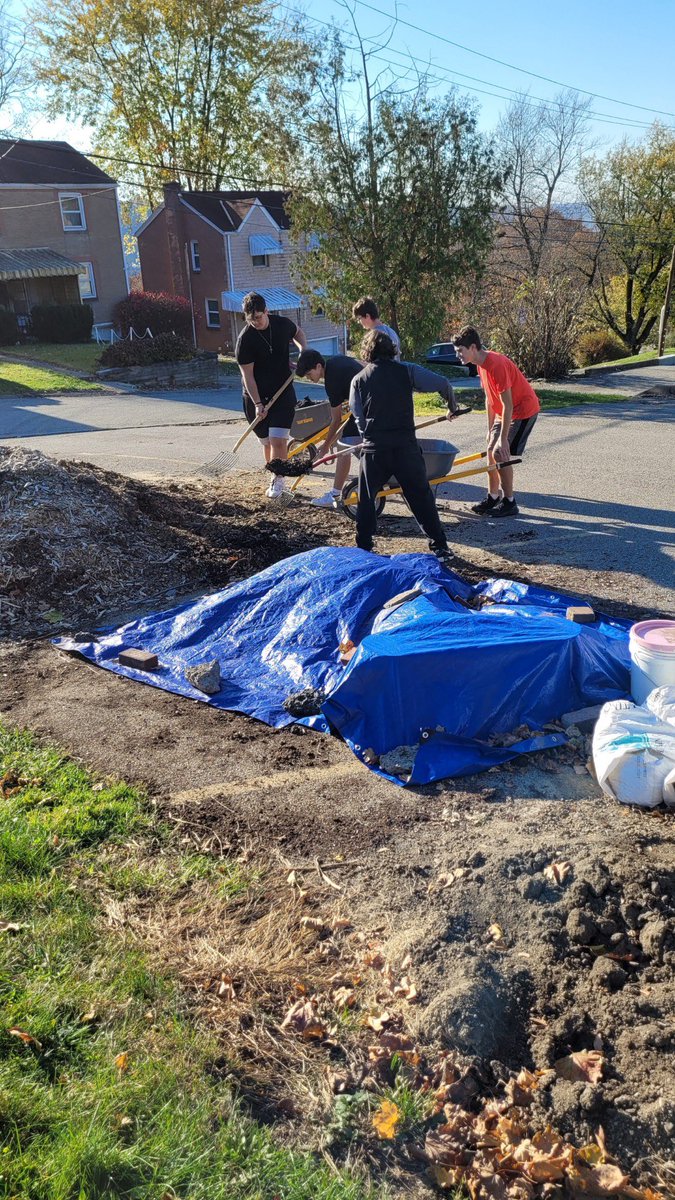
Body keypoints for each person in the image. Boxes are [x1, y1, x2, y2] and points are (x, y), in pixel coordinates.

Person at [296, 349, 459, 507]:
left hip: (374, 405)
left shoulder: (331, 382)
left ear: (318, 366)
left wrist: (324, 447)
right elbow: (361, 368)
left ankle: (336, 493)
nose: (309, 379)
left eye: (309, 374)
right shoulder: (337, 360)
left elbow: (336, 419)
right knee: (346, 442)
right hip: (377, 401)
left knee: (345, 444)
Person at [349, 329, 454, 563]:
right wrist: (452, 406)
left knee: (366, 498)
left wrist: (367, 436)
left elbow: (358, 417)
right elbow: (442, 383)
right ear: (392, 350)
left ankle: (363, 547)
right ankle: (440, 546)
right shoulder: (407, 371)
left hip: (375, 450)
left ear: (367, 353)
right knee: (421, 497)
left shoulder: (359, 380)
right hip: (405, 448)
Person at [453, 326, 540, 518]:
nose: (458, 355)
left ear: (473, 347)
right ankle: (493, 496)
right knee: (490, 451)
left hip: (522, 410)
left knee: (500, 452)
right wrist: (490, 429)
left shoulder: (496, 364)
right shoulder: (480, 365)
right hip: (504, 412)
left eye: (460, 351)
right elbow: (489, 398)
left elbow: (507, 404)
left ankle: (510, 502)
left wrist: (502, 439)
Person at [235, 292, 307, 499]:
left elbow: (299, 333)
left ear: (267, 311)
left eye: (258, 317)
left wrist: (303, 350)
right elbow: (248, 377)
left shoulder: (282, 324)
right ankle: (274, 475)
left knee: (278, 441)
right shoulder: (245, 340)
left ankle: (278, 481)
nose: (255, 322)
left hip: (283, 391)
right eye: (251, 319)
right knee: (267, 443)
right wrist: (258, 403)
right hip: (255, 395)